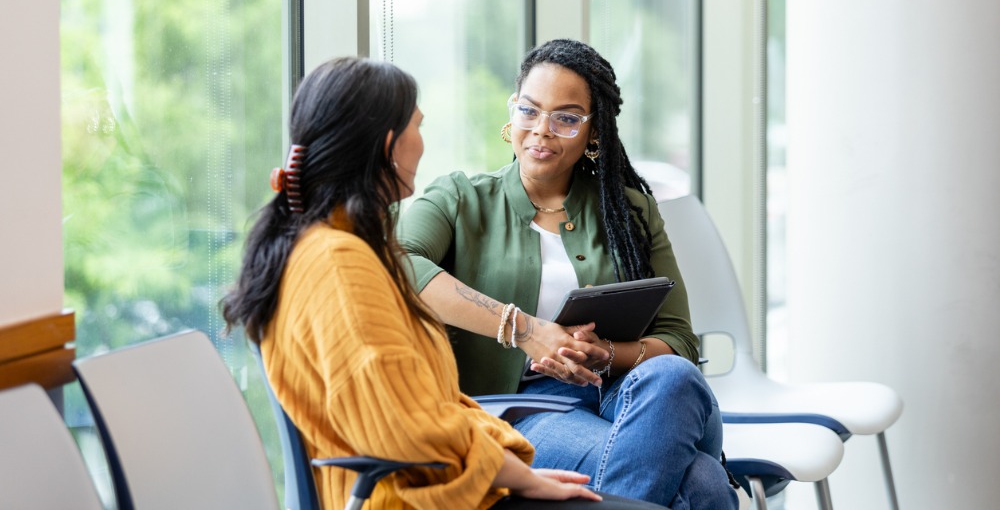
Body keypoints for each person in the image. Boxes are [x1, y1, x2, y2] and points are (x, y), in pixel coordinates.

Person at [221, 56, 668, 510]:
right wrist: (515, 473)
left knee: (680, 407)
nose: (422, 141)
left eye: (566, 118)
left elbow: (423, 407)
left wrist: (508, 466)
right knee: (685, 489)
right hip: (422, 498)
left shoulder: (337, 250)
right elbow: (403, 428)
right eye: (417, 125)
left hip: (452, 479)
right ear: (389, 144)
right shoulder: (340, 264)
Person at [398, 39, 740, 509]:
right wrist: (526, 330)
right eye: (530, 111)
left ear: (593, 131)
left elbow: (679, 339)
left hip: (632, 396)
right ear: (511, 111)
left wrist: (602, 355)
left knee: (675, 376)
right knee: (702, 481)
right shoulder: (460, 199)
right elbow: (398, 263)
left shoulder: (631, 211)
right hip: (524, 410)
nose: (542, 131)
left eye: (566, 118)